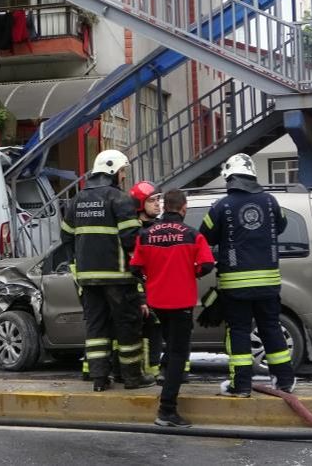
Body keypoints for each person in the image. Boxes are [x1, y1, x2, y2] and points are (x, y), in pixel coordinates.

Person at [199, 153, 295, 397]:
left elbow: (204, 237)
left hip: (235, 285)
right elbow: (282, 226)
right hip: (269, 284)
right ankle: (284, 381)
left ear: (230, 177)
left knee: (239, 331)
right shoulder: (271, 201)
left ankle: (241, 385)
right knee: (271, 328)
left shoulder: (221, 206)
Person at [61, 150, 155, 391]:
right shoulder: (120, 199)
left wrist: (79, 265)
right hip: (119, 278)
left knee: (96, 328)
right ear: (113, 171)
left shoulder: (77, 200)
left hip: (88, 279)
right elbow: (131, 239)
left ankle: (99, 379)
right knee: (127, 326)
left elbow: (66, 236)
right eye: (123, 171)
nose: (124, 176)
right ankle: (133, 378)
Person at [131, 189, 215, 427]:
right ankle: (167, 410)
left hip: (157, 302)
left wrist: (152, 277)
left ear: (165, 206)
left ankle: (165, 384)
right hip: (181, 303)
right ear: (183, 208)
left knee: (169, 346)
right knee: (179, 354)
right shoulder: (192, 235)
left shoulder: (146, 235)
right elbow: (207, 265)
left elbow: (135, 268)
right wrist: (192, 271)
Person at [128, 181, 165, 383]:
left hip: (158, 290)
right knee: (141, 332)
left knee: (156, 331)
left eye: (159, 199)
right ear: (140, 204)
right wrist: (141, 296)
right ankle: (143, 370)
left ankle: (154, 368)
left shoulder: (160, 228)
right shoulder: (133, 232)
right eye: (152, 200)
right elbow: (133, 267)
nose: (158, 204)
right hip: (138, 292)